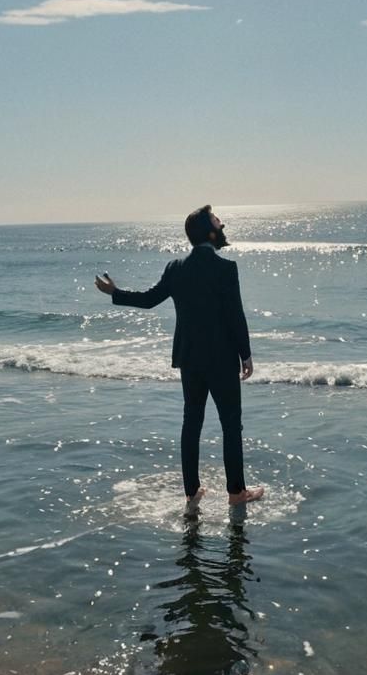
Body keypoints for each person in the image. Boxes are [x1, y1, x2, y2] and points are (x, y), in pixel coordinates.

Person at [95, 205, 264, 513]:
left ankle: (192, 493)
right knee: (230, 425)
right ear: (210, 233)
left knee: (192, 423)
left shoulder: (176, 268)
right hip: (222, 359)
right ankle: (236, 492)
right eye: (217, 221)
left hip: (190, 359)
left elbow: (148, 300)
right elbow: (235, 316)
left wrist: (115, 293)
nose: (222, 223)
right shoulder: (226, 269)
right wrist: (246, 354)